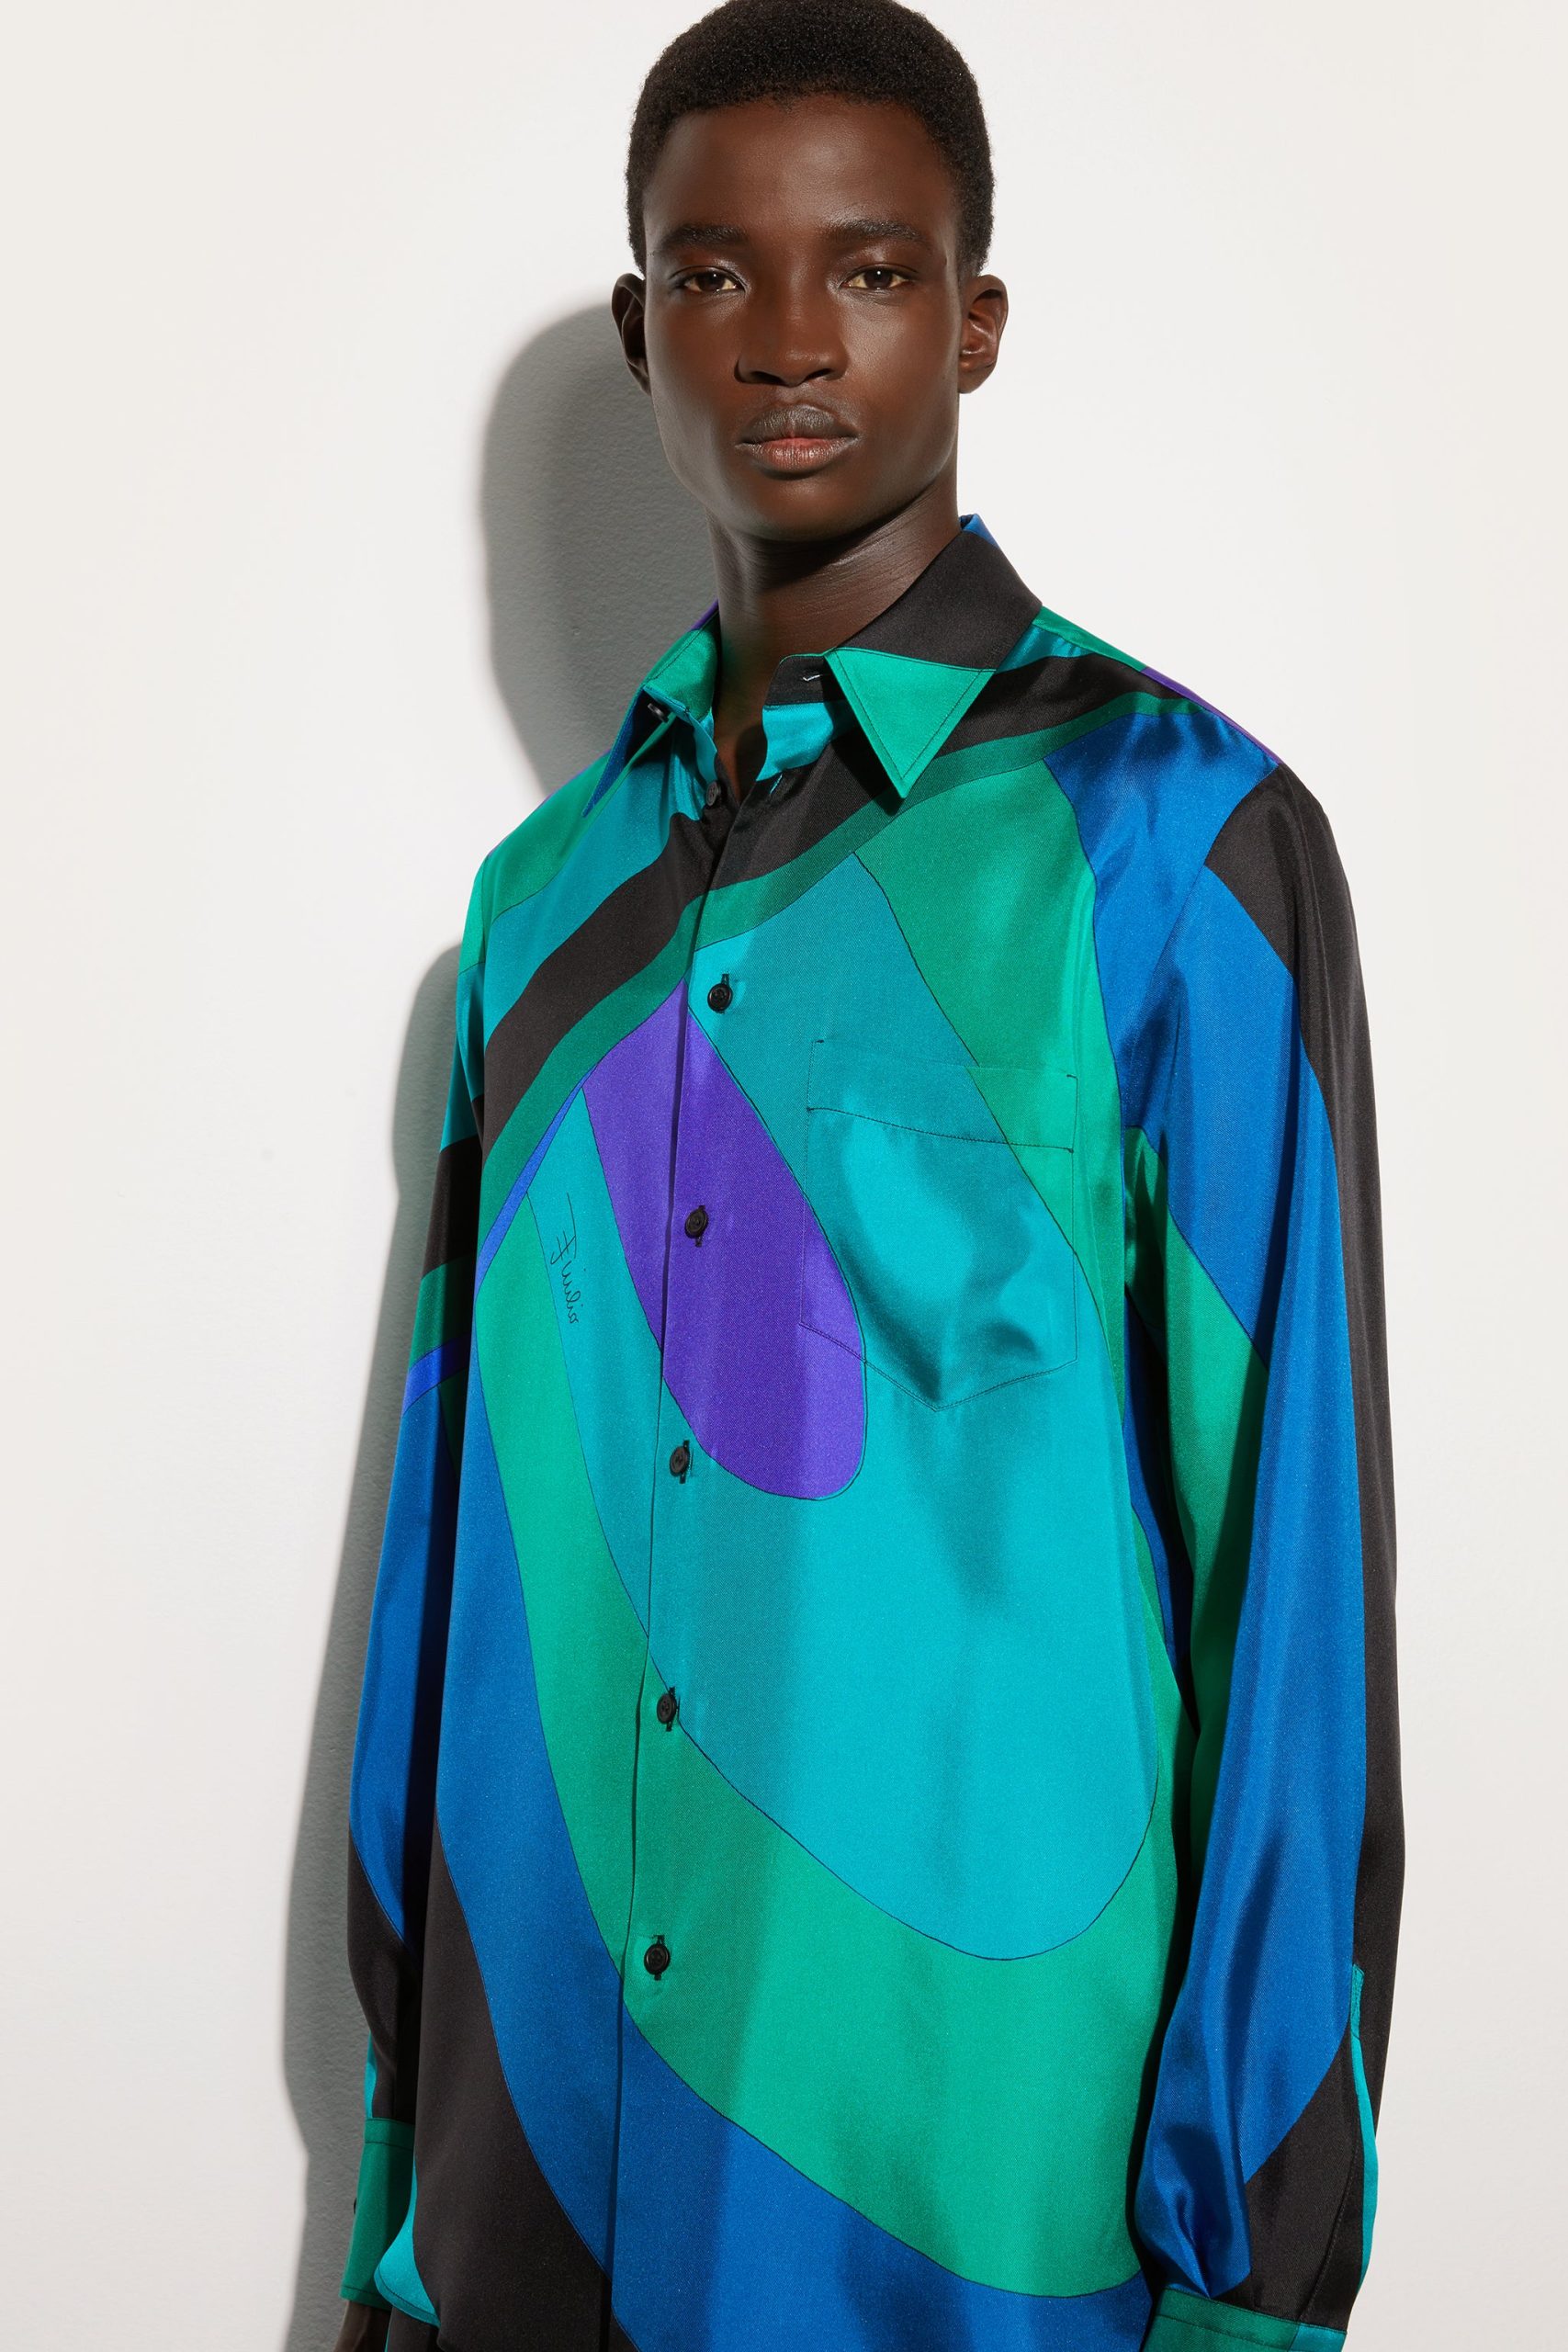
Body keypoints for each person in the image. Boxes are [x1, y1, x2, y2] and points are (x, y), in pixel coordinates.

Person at [329, 2, 1403, 2346]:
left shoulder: (1176, 849)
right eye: (714, 273)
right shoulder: (538, 908)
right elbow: (447, 1557)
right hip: (522, 2205)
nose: (789, 338)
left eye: (872, 268)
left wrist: (1255, 2269)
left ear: (975, 318)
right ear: (644, 330)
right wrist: (410, 2178)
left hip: (960, 2214)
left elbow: (1289, 1581)